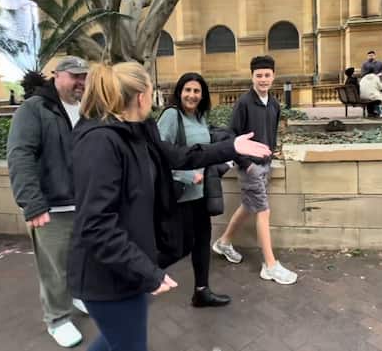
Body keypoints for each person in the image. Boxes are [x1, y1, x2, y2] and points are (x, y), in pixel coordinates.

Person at [68, 62, 271, 351]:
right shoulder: (101, 142)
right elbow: (96, 225)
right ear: (141, 96)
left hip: (128, 268)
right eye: (154, 92)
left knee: (115, 341)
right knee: (128, 344)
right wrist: (148, 272)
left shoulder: (140, 131)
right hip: (106, 276)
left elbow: (180, 156)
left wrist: (231, 148)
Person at [7, 56, 89, 348]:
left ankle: (77, 295)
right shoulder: (34, 108)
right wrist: (32, 203)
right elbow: (20, 155)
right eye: (74, 76)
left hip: (86, 202)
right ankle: (57, 319)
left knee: (82, 259)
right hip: (52, 206)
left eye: (84, 76)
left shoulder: (87, 108)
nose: (81, 82)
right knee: (54, 267)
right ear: (57, 75)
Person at [212, 56, 298, 285]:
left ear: (273, 76)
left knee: (249, 205)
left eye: (267, 75)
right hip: (249, 167)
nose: (263, 79)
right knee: (263, 211)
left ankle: (224, 242)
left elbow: (272, 133)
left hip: (265, 164)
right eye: (258, 75)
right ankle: (270, 265)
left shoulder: (274, 104)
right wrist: (246, 164)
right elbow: (232, 137)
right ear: (252, 77)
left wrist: (271, 153)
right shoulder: (243, 103)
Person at [157, 73, 231, 308]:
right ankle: (135, 276)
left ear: (203, 95)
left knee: (202, 242)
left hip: (200, 195)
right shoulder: (172, 116)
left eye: (196, 91)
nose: (191, 95)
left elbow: (203, 152)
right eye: (187, 90)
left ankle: (202, 292)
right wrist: (187, 176)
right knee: (179, 247)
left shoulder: (200, 116)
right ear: (179, 92)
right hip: (179, 195)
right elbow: (159, 154)